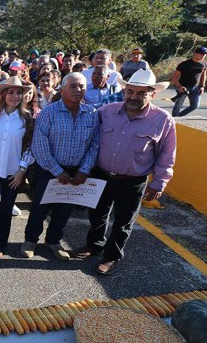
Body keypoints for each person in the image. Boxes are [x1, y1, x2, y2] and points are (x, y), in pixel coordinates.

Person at [72, 70, 176, 275]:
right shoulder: (107, 111)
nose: (134, 97)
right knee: (97, 215)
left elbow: (167, 153)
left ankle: (111, 257)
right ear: (124, 90)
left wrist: (159, 182)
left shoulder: (163, 120)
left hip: (133, 180)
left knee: (123, 222)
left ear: (152, 94)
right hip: (101, 174)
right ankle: (93, 246)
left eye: (141, 93)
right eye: (130, 92)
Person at [22, 72, 99, 261]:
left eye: (81, 86)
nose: (78, 90)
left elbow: (95, 145)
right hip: (48, 170)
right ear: (62, 89)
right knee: (40, 207)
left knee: (64, 210)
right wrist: (58, 171)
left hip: (76, 172)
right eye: (73, 86)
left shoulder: (92, 113)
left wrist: (84, 170)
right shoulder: (49, 112)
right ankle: (30, 240)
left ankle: (54, 241)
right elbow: (39, 145)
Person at [0, 78, 35, 257]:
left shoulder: (26, 118)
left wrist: (22, 170)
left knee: (6, 207)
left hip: (13, 171)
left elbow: (30, 147)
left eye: (19, 92)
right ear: (4, 94)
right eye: (11, 92)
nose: (15, 96)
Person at [171, 46, 207, 117]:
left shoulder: (205, 63)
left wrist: (202, 86)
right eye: (201, 53)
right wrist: (179, 86)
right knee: (178, 106)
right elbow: (175, 76)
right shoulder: (184, 64)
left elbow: (203, 75)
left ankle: (179, 117)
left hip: (196, 88)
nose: (203, 55)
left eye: (205, 54)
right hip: (183, 88)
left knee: (195, 106)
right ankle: (174, 119)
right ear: (195, 53)